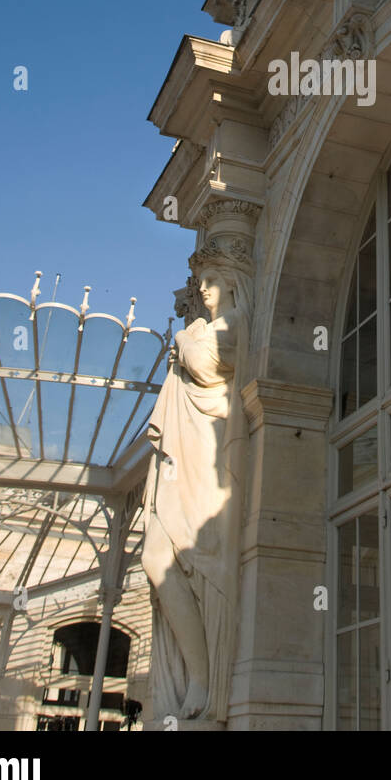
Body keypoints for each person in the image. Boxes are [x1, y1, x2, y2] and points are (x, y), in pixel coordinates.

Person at [141, 240, 253, 722]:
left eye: (210, 280)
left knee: (201, 562)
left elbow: (206, 366)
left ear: (231, 281)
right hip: (181, 450)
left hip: (212, 451)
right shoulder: (202, 327)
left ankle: (206, 680)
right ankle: (196, 674)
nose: (203, 289)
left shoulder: (236, 324)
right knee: (153, 555)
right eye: (199, 282)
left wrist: (187, 339)